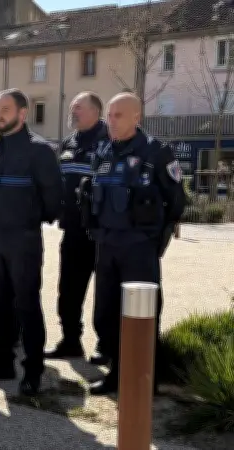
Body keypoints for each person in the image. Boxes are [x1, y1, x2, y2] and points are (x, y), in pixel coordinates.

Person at [85, 93, 185, 395]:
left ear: (136, 118)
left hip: (139, 248)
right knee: (105, 314)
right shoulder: (103, 150)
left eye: (118, 115)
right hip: (107, 246)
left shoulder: (156, 153)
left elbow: (176, 201)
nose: (110, 121)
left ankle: (145, 380)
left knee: (142, 315)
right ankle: (116, 373)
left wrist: (155, 239)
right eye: (109, 115)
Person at [0, 89, 62, 396]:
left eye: (5, 109)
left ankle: (33, 370)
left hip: (23, 240)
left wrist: (29, 219)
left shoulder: (40, 151)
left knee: (26, 305)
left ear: (22, 114)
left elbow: (54, 199)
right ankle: (2, 363)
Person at [45, 92, 107, 361]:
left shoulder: (110, 142)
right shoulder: (69, 143)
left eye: (78, 108)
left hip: (103, 232)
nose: (73, 112)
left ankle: (106, 346)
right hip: (73, 230)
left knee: (105, 291)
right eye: (72, 108)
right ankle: (71, 340)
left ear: (95, 111)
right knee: (68, 289)